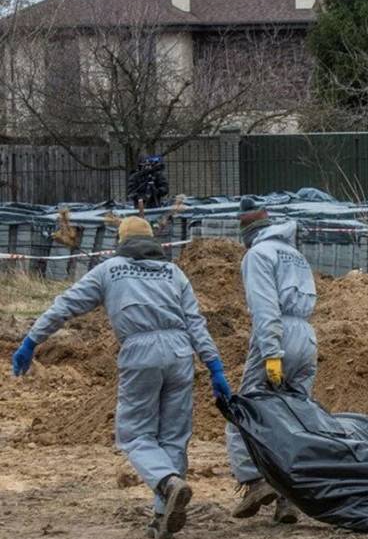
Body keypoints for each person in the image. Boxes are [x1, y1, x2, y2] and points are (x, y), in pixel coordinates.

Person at [10, 217, 231, 539]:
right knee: (173, 436)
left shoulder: (110, 270)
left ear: (121, 241)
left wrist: (32, 339)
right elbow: (196, 322)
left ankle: (167, 482)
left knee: (135, 434)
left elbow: (66, 306)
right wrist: (215, 367)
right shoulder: (174, 272)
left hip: (140, 352)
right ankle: (161, 517)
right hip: (181, 352)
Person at [226, 198, 317, 524]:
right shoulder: (295, 255)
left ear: (247, 232)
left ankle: (255, 481)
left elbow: (266, 309)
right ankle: (287, 497)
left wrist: (272, 355)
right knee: (291, 419)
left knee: (244, 413)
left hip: (278, 338)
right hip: (307, 338)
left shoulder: (258, 255)